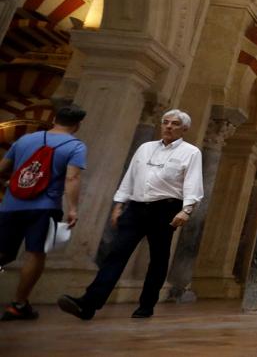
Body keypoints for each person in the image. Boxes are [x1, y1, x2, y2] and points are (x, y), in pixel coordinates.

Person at [58, 109, 203, 320]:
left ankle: (146, 305)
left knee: (158, 260)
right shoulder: (145, 148)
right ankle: (88, 304)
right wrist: (119, 204)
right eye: (165, 122)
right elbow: (130, 177)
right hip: (135, 208)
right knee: (115, 255)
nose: (168, 126)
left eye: (174, 123)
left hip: (166, 210)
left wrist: (186, 210)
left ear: (185, 128)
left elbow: (193, 182)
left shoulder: (191, 152)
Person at [0, 105, 88, 321]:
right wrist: (73, 208)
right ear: (77, 125)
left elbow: (3, 167)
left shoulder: (25, 140)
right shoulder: (75, 146)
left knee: (2, 252)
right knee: (36, 253)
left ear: (54, 119)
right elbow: (72, 178)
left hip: (11, 205)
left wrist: (11, 185)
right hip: (44, 207)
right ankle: (18, 304)